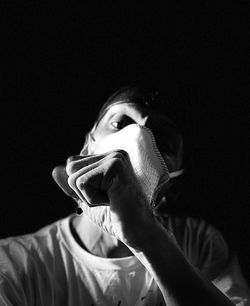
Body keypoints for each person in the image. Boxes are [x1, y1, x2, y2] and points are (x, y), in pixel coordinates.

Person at [0, 85, 249, 306]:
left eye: (161, 141)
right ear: (88, 146)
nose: (137, 137)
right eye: (119, 124)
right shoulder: (15, 262)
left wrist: (146, 239)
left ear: (175, 185)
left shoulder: (199, 245)